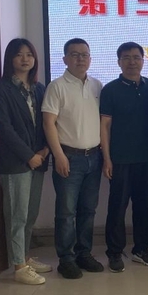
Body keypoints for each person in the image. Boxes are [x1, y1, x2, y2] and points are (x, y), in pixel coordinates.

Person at [42, 38, 104, 279]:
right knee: (66, 212)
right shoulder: (56, 86)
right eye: (75, 54)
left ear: (90, 58)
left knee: (88, 210)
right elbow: (49, 123)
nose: (80, 59)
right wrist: (58, 155)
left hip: (94, 157)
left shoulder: (97, 86)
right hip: (68, 157)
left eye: (84, 54)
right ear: (65, 59)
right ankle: (66, 259)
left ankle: (83, 253)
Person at [0, 38, 51, 285]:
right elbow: (5, 129)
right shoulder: (1, 89)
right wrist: (29, 156)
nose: (25, 59)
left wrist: (45, 149)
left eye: (29, 54)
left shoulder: (39, 88)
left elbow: (46, 122)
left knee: (30, 214)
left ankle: (25, 257)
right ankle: (18, 266)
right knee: (17, 216)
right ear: (10, 59)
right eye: (19, 54)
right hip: (16, 163)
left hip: (39, 159)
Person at [100, 42, 148, 273]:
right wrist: (107, 158)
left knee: (143, 207)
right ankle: (114, 252)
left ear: (143, 61)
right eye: (126, 57)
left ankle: (141, 249)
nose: (132, 62)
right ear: (119, 62)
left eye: (136, 57)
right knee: (117, 207)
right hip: (120, 159)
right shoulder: (110, 90)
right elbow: (105, 126)